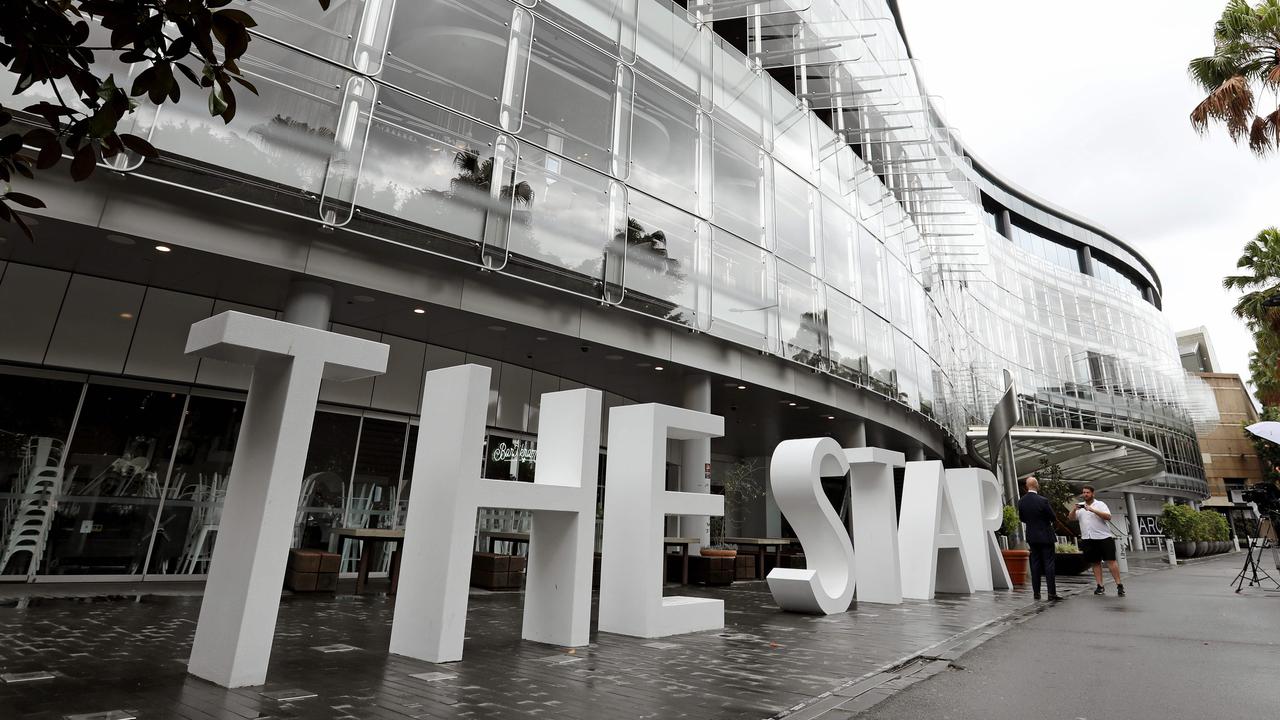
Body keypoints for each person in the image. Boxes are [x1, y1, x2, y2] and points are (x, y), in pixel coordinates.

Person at [1069, 484, 1125, 596]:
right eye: (1084, 492)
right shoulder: (1080, 507)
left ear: (1093, 494)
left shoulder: (1100, 504)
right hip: (1088, 538)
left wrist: (1093, 510)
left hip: (1103, 537)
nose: (1085, 494)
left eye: (1087, 492)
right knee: (1095, 562)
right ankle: (1100, 585)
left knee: (1111, 561)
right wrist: (1074, 510)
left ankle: (1119, 585)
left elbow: (1108, 517)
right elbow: (1070, 518)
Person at [1017, 476, 1061, 601]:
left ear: (1027, 486)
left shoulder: (1021, 501)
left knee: (1035, 564)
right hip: (1046, 536)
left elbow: (1022, 518)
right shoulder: (1043, 500)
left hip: (1032, 536)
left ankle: (1036, 593)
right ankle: (1051, 593)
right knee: (1049, 564)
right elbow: (1052, 517)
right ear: (1036, 485)